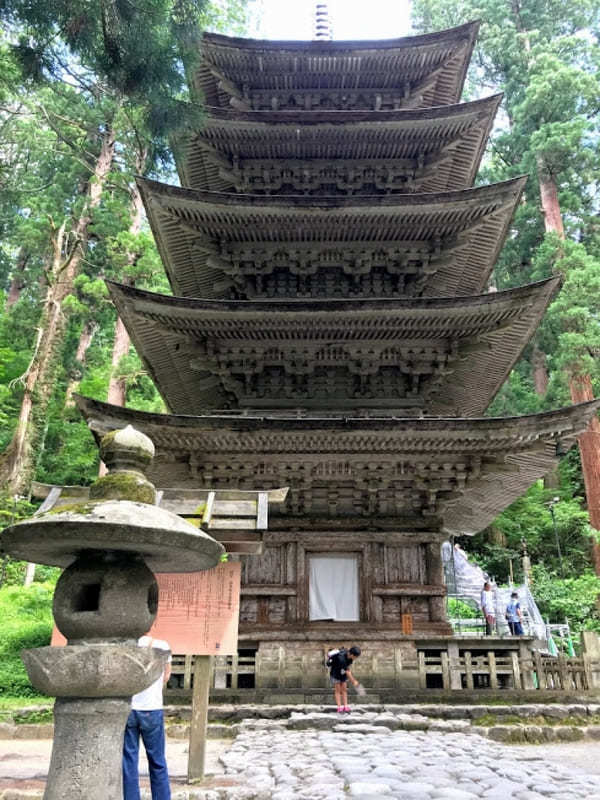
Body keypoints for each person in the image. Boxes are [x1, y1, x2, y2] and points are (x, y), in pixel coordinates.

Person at [123, 635, 172, 800]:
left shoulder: (127, 646)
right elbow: (166, 676)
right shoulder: (162, 645)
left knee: (129, 760)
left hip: (130, 709)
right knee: (157, 760)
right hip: (152, 709)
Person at [327, 645, 361, 713]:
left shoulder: (350, 658)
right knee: (338, 690)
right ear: (351, 654)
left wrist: (353, 680)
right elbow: (347, 671)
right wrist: (354, 681)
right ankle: (339, 707)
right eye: (355, 656)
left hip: (343, 673)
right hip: (335, 673)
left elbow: (348, 668)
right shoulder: (341, 658)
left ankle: (345, 706)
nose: (356, 658)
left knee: (344, 690)